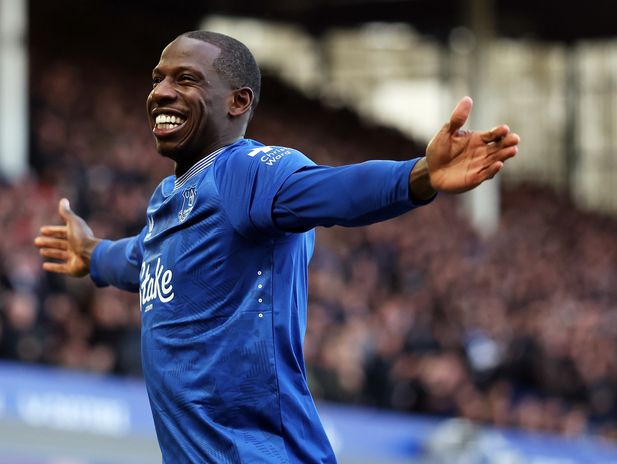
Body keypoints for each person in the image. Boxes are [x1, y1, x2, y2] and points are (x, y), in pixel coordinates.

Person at [34, 30, 519, 463]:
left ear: (237, 101)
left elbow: (335, 190)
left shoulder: (247, 172)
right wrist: (92, 254)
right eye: (158, 79)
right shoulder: (169, 199)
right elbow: (141, 259)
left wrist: (418, 175)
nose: (160, 91)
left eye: (186, 79)